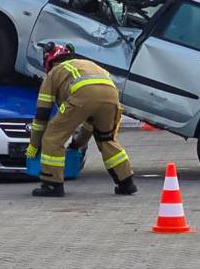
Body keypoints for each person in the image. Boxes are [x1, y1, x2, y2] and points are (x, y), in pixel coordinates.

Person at [26, 43, 137, 197]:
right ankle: (126, 182)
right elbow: (89, 124)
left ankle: (52, 185)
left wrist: (34, 144)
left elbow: (42, 115)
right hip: (111, 96)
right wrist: (77, 144)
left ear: (49, 61)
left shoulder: (55, 72)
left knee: (52, 138)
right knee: (106, 139)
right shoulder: (88, 65)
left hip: (82, 95)